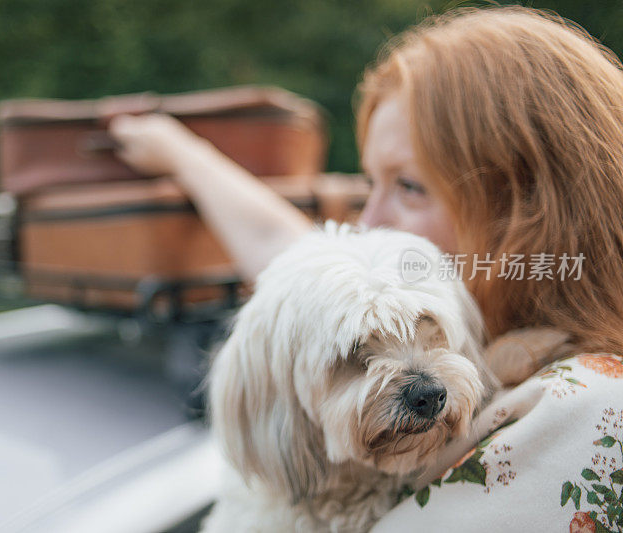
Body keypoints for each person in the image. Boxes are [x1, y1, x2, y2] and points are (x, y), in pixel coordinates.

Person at [111, 6, 623, 531]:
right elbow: (320, 299)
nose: (369, 220)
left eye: (408, 186)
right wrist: (183, 155)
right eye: (368, 184)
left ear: (525, 208)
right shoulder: (453, 314)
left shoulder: (585, 414)